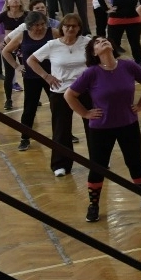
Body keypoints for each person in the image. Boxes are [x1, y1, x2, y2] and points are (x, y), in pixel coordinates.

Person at [65, 36, 141, 222]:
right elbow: (69, 95)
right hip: (101, 128)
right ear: (94, 52)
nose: (103, 42)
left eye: (105, 40)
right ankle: (94, 205)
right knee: (98, 166)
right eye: (98, 42)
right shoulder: (91, 73)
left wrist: (140, 105)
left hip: (128, 124)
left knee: (135, 162)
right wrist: (85, 113)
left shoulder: (128, 65)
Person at [24, 14, 91, 177]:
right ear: (62, 27)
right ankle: (60, 164)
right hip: (60, 92)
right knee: (61, 129)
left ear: (79, 28)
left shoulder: (87, 43)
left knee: (93, 125)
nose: (70, 29)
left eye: (74, 26)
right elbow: (31, 60)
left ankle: (98, 160)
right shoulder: (52, 45)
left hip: (85, 91)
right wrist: (46, 76)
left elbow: (100, 58)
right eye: (67, 26)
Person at [4, 12, 52, 151]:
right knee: (29, 109)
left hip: (51, 77)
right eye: (36, 25)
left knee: (58, 107)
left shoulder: (53, 33)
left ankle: (65, 134)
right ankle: (25, 138)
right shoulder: (22, 36)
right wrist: (17, 66)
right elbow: (6, 51)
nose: (40, 28)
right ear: (29, 25)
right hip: (31, 78)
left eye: (42, 24)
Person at [99, 0, 141, 64]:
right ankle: (111, 63)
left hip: (133, 19)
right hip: (116, 19)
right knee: (113, 43)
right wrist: (107, 9)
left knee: (135, 43)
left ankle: (139, 63)